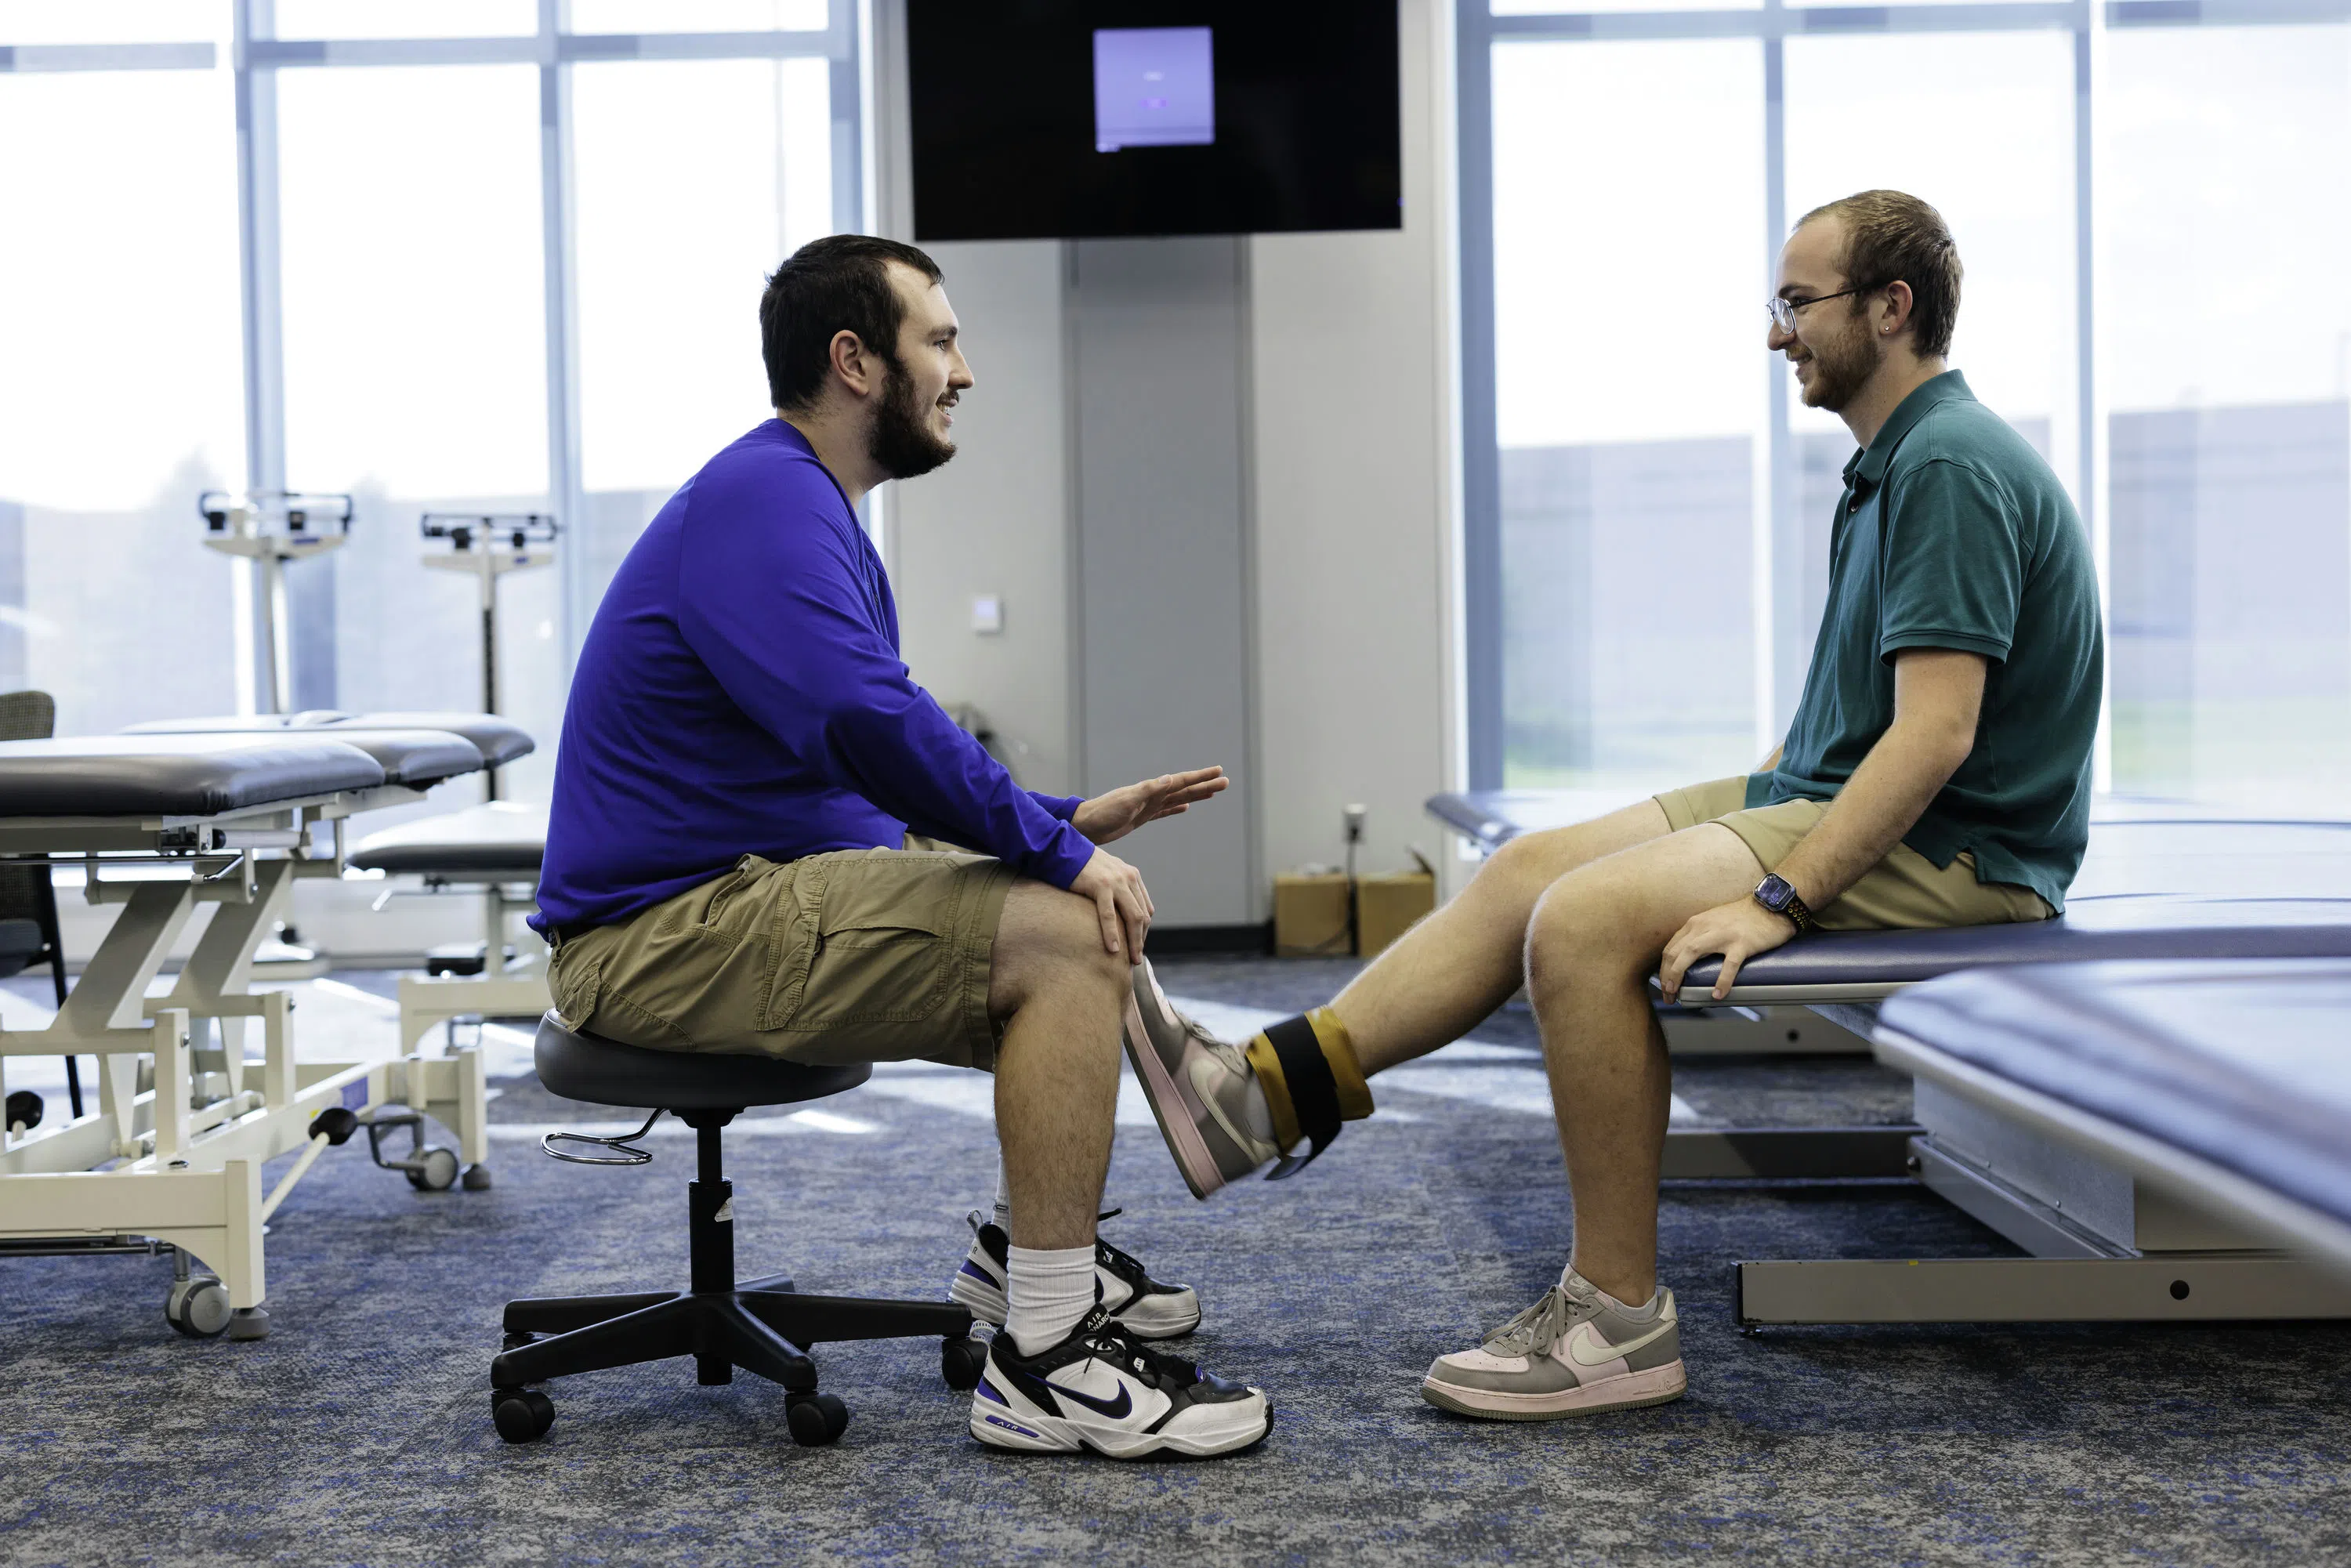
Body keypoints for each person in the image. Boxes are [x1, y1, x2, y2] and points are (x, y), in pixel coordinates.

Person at [1121, 189, 2103, 1421]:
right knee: (1534, 868)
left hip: (1965, 850)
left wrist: (1777, 898)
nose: (1776, 334)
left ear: (1890, 308)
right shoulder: (1901, 458)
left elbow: (1939, 737)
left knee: (1579, 929)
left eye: (1797, 305)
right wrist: (1749, 824)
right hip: (1839, 789)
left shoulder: (1950, 465)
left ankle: (1619, 1323)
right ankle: (1261, 1096)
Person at [531, 234, 1271, 1460]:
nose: (964, 370)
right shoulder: (765, 503)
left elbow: (854, 775)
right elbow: (863, 722)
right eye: (941, 339)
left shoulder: (806, 512)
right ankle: (1047, 1358)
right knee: (1061, 930)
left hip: (733, 899)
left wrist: (1059, 824)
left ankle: (1027, 1265)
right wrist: (1053, 853)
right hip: (652, 939)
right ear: (854, 361)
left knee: (1055, 900)